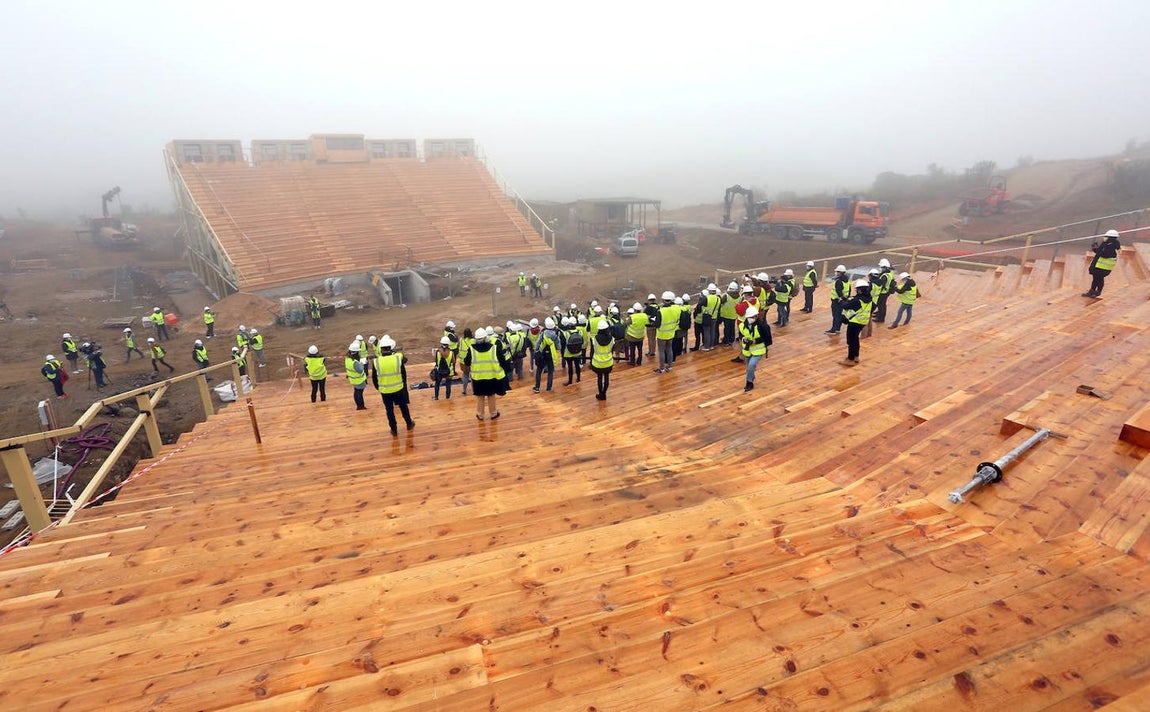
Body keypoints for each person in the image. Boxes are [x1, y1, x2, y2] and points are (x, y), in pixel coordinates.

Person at [464, 327, 510, 420]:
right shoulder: (494, 348)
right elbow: (502, 360)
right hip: (491, 377)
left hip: (477, 378)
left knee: (480, 396)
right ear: (486, 338)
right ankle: (493, 413)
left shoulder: (471, 349)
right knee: (491, 395)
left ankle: (480, 414)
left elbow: (466, 362)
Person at [375, 335, 415, 435]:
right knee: (403, 407)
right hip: (398, 389)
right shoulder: (398, 357)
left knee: (389, 411)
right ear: (391, 347)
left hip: (385, 391)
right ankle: (409, 423)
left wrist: (380, 388)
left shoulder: (376, 361)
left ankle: (394, 429)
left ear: (381, 349)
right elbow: (404, 369)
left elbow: (375, 380)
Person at [841, 279, 874, 366]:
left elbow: (846, 306)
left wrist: (841, 301)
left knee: (851, 340)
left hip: (854, 322)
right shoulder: (869, 298)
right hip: (863, 321)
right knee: (855, 339)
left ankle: (850, 359)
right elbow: (872, 306)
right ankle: (856, 356)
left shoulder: (857, 300)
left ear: (859, 290)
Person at [739, 306, 772, 392]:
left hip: (758, 350)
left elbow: (768, 339)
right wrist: (744, 340)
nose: (753, 318)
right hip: (747, 350)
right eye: (751, 317)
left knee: (751, 365)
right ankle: (751, 377)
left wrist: (755, 341)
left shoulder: (763, 326)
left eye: (754, 316)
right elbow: (741, 335)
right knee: (749, 367)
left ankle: (749, 383)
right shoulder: (742, 325)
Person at [1084, 229, 1122, 298]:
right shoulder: (1108, 244)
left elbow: (1105, 254)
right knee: (1096, 278)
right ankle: (1092, 291)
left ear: (1110, 238)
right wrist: (1096, 249)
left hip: (1102, 266)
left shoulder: (1111, 246)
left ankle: (1097, 292)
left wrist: (1096, 249)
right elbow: (1101, 252)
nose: (1105, 237)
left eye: (1106, 236)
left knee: (1099, 279)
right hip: (1100, 265)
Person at [533, 317, 561, 393]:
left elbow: (537, 344)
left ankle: (537, 387)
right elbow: (559, 347)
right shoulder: (555, 336)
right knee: (550, 372)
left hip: (542, 355)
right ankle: (549, 388)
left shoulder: (543, 334)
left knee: (539, 371)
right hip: (551, 356)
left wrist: (536, 351)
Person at [589, 320, 615, 400]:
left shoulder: (595, 339)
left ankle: (601, 394)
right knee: (606, 378)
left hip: (597, 363)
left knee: (599, 378)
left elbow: (592, 351)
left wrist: (591, 361)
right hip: (608, 362)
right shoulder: (612, 339)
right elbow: (611, 350)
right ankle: (604, 393)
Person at [653, 291, 678, 374]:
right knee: (669, 350)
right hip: (671, 333)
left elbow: (657, 324)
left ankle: (662, 368)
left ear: (663, 300)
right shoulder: (676, 309)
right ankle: (670, 367)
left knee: (661, 351)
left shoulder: (661, 311)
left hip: (662, 334)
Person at [825, 265, 851, 334]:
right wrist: (845, 298)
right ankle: (838, 329)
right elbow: (849, 291)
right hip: (843, 301)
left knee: (835, 315)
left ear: (840, 272)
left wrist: (840, 298)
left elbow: (838, 291)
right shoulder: (847, 281)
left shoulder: (838, 281)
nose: (836, 273)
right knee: (839, 315)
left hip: (836, 300)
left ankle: (833, 329)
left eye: (837, 272)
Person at [345, 342, 368, 410]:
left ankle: (359, 405)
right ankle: (361, 406)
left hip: (353, 379)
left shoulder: (347, 359)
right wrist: (362, 364)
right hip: (359, 380)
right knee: (359, 393)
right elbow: (360, 370)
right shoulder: (355, 362)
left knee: (356, 392)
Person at [561, 316, 584, 385]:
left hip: (568, 353)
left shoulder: (565, 333)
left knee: (570, 367)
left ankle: (570, 381)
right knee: (577, 366)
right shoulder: (580, 332)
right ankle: (578, 378)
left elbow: (563, 344)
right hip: (578, 352)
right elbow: (582, 341)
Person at [873, 258, 895, 322]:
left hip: (883, 292)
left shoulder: (885, 276)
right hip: (886, 292)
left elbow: (881, 284)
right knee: (882, 305)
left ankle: (881, 318)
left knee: (881, 305)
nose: (880, 268)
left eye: (881, 267)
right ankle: (879, 314)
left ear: (885, 267)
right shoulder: (889, 272)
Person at [458, 327, 474, 395]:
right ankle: (474, 390)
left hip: (463, 361)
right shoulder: (473, 341)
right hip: (471, 361)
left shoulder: (461, 340)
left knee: (465, 375)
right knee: (473, 376)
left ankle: (464, 390)